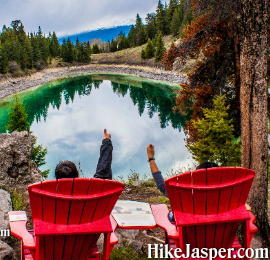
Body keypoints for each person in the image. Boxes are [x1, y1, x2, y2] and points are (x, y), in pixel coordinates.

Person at [146, 144, 251, 221]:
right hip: (221, 241)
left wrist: (151, 158)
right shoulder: (226, 197)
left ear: (196, 178)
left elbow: (161, 186)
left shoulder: (185, 195)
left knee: (171, 216)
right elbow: (247, 209)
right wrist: (242, 204)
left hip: (190, 242)